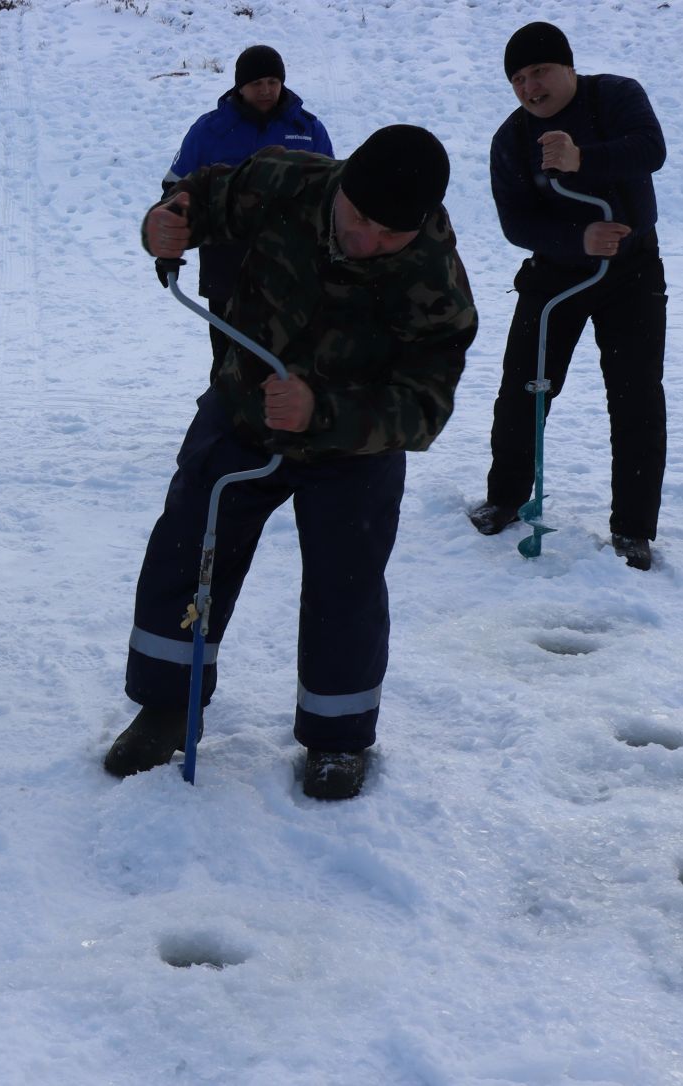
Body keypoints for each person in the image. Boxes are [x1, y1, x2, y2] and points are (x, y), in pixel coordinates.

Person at [109, 126, 477, 799]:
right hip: (242, 411)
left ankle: (337, 739)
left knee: (347, 585)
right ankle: (167, 705)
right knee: (187, 546)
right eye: (357, 218)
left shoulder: (434, 277)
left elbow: (425, 406)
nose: (365, 239)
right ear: (341, 189)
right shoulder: (287, 180)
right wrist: (166, 222)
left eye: (387, 233)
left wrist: (323, 412)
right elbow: (202, 197)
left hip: (352, 450)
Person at [467, 21, 668, 571]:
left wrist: (583, 159)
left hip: (632, 272)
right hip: (556, 276)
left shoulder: (616, 97)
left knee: (636, 398)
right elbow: (516, 222)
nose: (531, 87)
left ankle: (633, 528)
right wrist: (576, 240)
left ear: (568, 67)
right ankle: (505, 498)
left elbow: (650, 150)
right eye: (518, 79)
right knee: (525, 388)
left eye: (540, 72)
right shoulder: (510, 140)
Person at [163, 44, 333, 378]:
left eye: (273, 81)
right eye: (257, 83)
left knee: (288, 367)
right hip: (227, 265)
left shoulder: (308, 129)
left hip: (291, 269)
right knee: (229, 365)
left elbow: (330, 199)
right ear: (240, 86)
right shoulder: (210, 130)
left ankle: (283, 428)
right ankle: (221, 426)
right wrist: (169, 247)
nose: (267, 90)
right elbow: (176, 191)